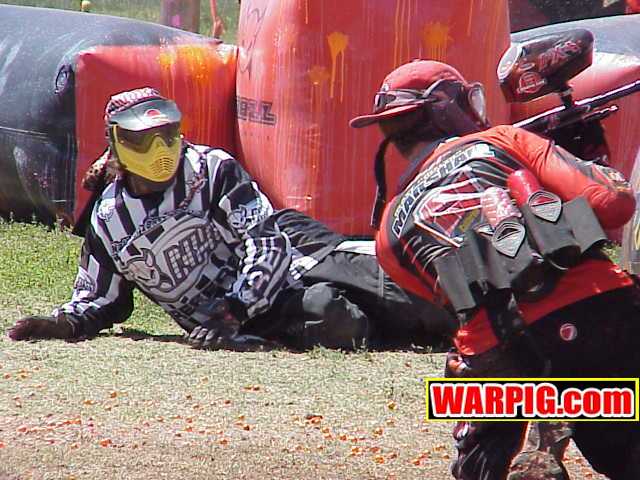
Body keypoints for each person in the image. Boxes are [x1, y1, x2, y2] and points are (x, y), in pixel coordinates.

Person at [350, 59, 640, 480]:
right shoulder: (503, 140)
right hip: (593, 313)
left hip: (493, 354)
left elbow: (449, 305)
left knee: (480, 457)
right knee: (625, 455)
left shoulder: (387, 232)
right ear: (451, 107)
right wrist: (588, 163)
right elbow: (614, 204)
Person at [7, 87, 451, 352]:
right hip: (253, 317)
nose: (160, 151)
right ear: (117, 144)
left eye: (167, 136)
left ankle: (481, 317)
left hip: (298, 254)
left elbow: (268, 242)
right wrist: (61, 324)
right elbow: (102, 299)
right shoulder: (109, 221)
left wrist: (233, 309)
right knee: (335, 319)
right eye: (144, 141)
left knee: (409, 296)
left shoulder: (211, 169)